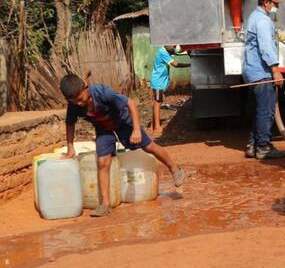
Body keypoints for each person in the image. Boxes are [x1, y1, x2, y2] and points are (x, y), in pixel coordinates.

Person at [60, 74, 185, 217]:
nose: (79, 103)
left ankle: (175, 169)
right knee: (103, 162)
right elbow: (70, 123)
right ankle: (105, 205)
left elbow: (130, 103)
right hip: (103, 129)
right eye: (74, 101)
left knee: (148, 146)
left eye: (80, 99)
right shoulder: (74, 105)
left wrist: (136, 129)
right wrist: (70, 147)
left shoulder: (102, 92)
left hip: (123, 122)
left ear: (86, 88)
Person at [243, 0, 285, 160]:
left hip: (253, 71)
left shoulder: (254, 17)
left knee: (259, 110)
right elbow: (266, 47)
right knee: (266, 111)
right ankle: (263, 147)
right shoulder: (262, 21)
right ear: (266, 3)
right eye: (275, 4)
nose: (277, 7)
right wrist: (275, 70)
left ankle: (253, 145)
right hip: (261, 73)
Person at [150, 45, 190, 136]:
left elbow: (179, 51)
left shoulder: (168, 49)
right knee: (157, 103)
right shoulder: (163, 52)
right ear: (166, 44)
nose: (174, 47)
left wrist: (187, 49)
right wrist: (189, 65)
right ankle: (157, 127)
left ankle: (152, 125)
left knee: (157, 102)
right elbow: (175, 64)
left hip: (160, 81)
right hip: (158, 81)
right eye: (173, 46)